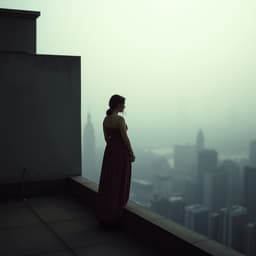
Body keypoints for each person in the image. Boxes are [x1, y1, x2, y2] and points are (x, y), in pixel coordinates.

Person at [96, 94, 135, 228]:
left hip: (110, 153)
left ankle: (106, 214)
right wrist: (131, 152)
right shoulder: (119, 120)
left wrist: (113, 147)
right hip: (121, 153)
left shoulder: (106, 120)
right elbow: (125, 138)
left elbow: (106, 138)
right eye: (123, 104)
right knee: (120, 181)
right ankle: (116, 214)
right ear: (118, 105)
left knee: (109, 181)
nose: (124, 106)